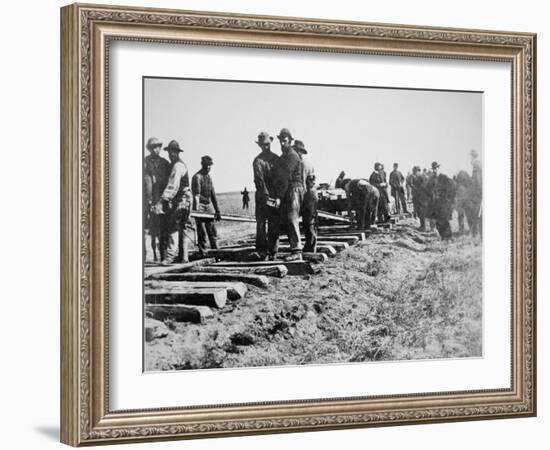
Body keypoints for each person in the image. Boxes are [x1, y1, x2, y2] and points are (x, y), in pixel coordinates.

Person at [154, 140, 192, 265]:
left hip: (182, 200)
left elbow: (173, 186)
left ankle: (170, 257)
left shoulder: (177, 166)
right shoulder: (175, 165)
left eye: (173, 152)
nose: (171, 154)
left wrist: (162, 201)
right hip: (184, 199)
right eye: (170, 152)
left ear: (177, 153)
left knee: (173, 227)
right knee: (183, 227)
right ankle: (184, 257)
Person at [273, 128, 304, 261]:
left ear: (290, 141)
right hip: (288, 189)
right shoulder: (284, 156)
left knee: (292, 218)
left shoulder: (291, 156)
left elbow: (285, 177)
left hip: (294, 189)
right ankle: (293, 248)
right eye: (280, 141)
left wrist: (279, 197)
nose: (282, 144)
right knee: (288, 219)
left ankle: (297, 250)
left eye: (284, 141)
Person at [252, 131, 280, 260]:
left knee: (274, 224)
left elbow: (280, 179)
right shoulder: (257, 161)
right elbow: (259, 181)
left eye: (267, 144)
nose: (266, 147)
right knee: (261, 224)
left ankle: (273, 251)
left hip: (274, 197)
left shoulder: (276, 159)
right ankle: (262, 252)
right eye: (263, 145)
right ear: (259, 146)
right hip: (263, 198)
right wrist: (267, 197)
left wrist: (277, 196)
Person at [143, 137, 170, 262]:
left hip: (162, 200)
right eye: (153, 147)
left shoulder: (165, 163)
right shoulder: (144, 162)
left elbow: (169, 183)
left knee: (163, 228)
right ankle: (146, 255)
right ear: (149, 149)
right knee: (148, 229)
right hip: (148, 200)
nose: (155, 150)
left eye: (157, 147)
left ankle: (163, 255)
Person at [192, 155, 221, 256]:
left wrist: (217, 210)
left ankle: (216, 252)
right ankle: (203, 253)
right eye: (206, 166)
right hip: (199, 205)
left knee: (212, 231)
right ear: (202, 165)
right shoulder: (197, 177)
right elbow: (196, 196)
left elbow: (213, 194)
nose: (208, 168)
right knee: (202, 232)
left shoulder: (209, 177)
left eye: (210, 166)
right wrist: (197, 212)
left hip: (208, 206)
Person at [294, 140, 317, 253]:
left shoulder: (301, 163)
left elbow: (304, 183)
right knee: (309, 221)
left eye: (296, 150)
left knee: (308, 222)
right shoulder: (307, 163)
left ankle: (311, 247)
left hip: (308, 195)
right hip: (310, 193)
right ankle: (311, 245)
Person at [426, 161, 456, 240]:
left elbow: (452, 185)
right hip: (435, 203)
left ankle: (449, 238)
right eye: (433, 168)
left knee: (444, 221)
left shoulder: (443, 177)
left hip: (443, 203)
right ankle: (443, 237)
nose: (435, 170)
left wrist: (448, 197)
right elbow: (427, 189)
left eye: (436, 168)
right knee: (438, 222)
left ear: (438, 168)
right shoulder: (431, 179)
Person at [454, 170, 478, 235]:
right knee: (468, 216)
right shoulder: (467, 183)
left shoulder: (458, 184)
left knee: (462, 216)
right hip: (465, 200)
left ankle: (463, 230)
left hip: (462, 201)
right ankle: (472, 230)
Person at [411, 166, 429, 231]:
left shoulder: (422, 177)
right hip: (417, 197)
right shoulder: (416, 177)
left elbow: (423, 186)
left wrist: (417, 189)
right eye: (414, 172)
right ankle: (422, 225)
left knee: (422, 212)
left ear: (418, 171)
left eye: (415, 171)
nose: (414, 173)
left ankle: (423, 227)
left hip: (422, 197)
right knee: (419, 212)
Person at [470, 149, 483, 237]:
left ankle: (476, 232)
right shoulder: (478, 164)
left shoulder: (476, 165)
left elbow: (478, 180)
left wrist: (477, 191)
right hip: (478, 192)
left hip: (478, 192)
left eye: (470, 156)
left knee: (477, 212)